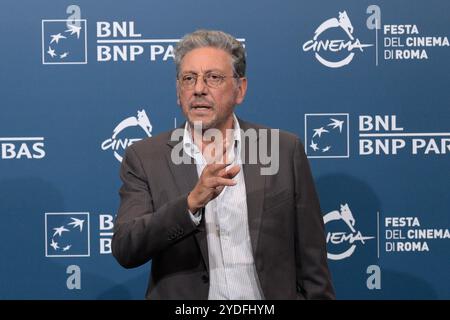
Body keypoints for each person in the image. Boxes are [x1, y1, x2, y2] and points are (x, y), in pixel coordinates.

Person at [112, 29, 335, 300]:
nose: (199, 89)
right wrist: (190, 204)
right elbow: (126, 247)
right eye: (188, 78)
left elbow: (312, 259)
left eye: (213, 78)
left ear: (240, 89)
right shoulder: (145, 157)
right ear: (178, 92)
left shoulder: (283, 150)